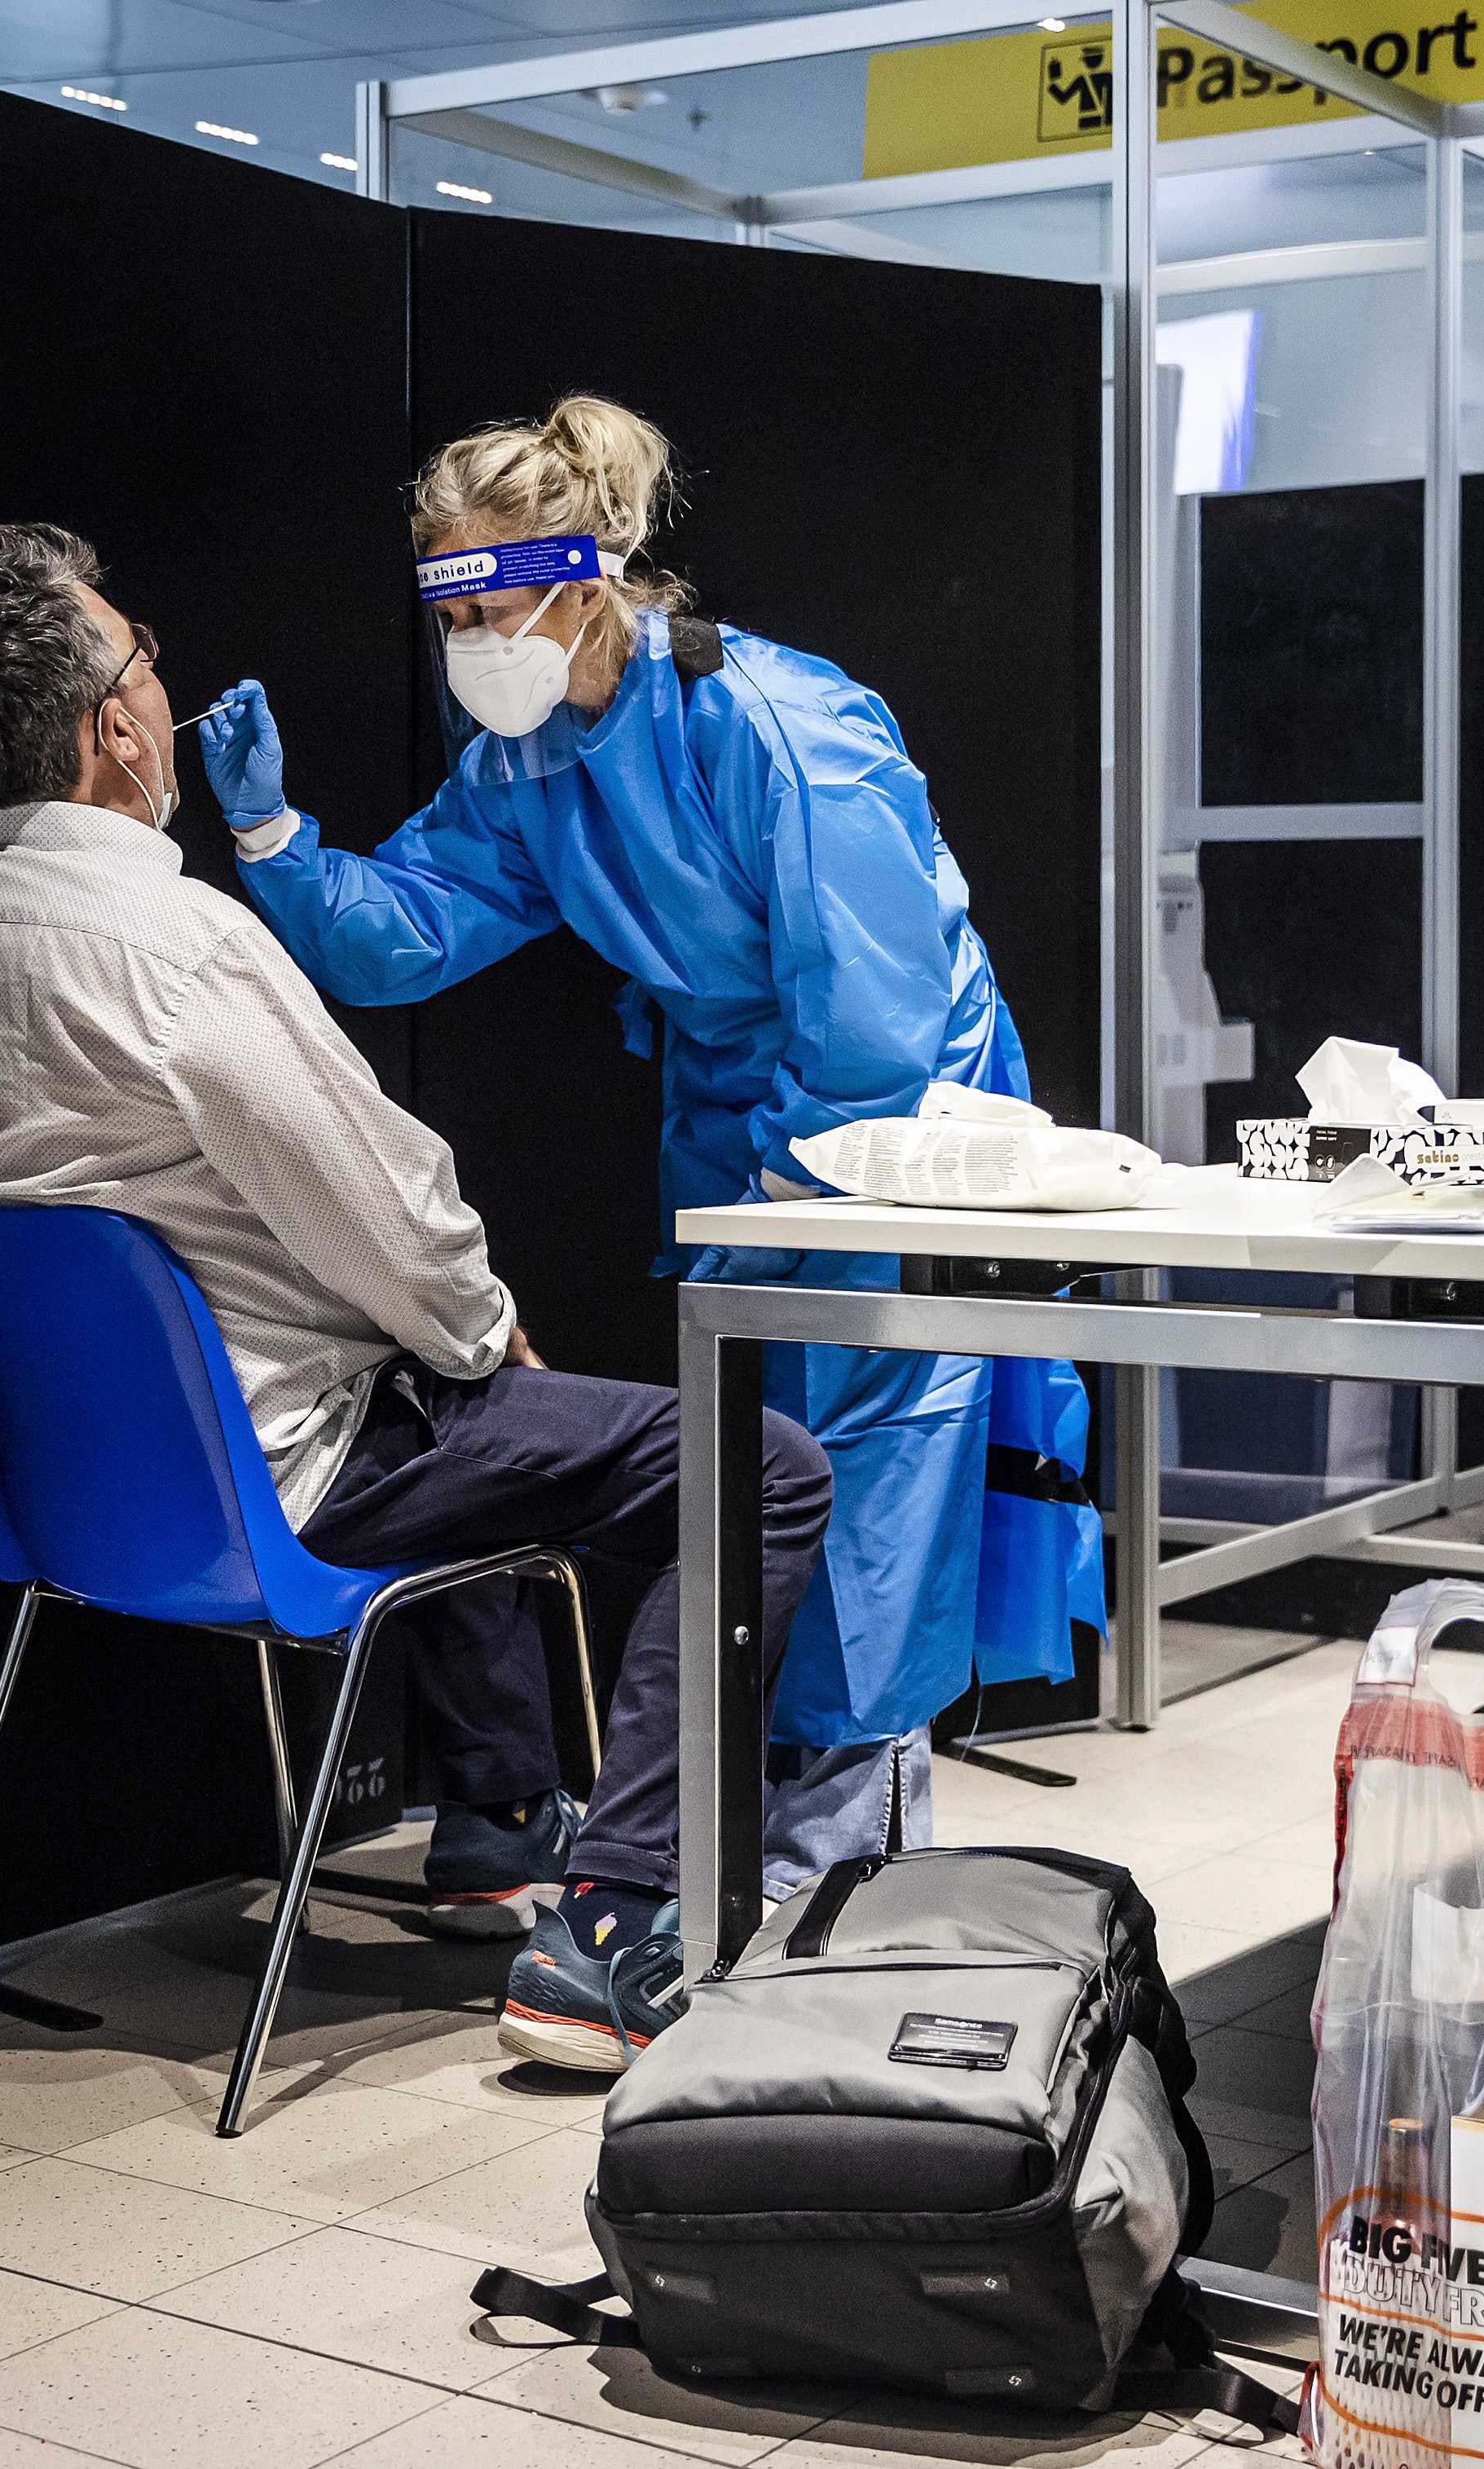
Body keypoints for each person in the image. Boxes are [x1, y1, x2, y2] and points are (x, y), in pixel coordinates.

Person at [0, 522, 830, 2071]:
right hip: (288, 1484)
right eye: (146, 664)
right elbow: (394, 1206)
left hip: (77, 1510)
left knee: (434, 1377)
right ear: (117, 727)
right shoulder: (174, 947)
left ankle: (501, 1813)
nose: (163, 691)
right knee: (750, 1467)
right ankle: (610, 1922)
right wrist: (483, 1322)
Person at [202, 399, 1104, 1890]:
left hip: (885, 1131)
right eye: (449, 614)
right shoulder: (527, 762)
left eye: (493, 603)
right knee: (764, 1475)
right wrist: (273, 841)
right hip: (735, 1129)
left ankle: (849, 1869)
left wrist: (803, 1178)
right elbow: (408, 935)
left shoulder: (777, 722)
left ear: (585, 575)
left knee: (873, 1473)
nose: (472, 643)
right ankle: (737, 1842)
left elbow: (874, 1006)